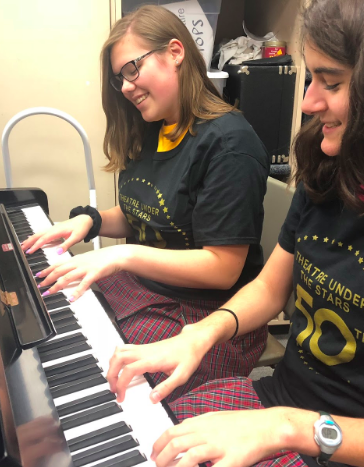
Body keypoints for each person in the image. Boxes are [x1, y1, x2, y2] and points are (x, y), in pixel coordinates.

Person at [106, 0, 364, 466]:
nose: (307, 102)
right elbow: (269, 287)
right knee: (140, 432)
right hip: (281, 404)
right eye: (311, 78)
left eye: (333, 82)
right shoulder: (333, 172)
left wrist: (290, 427)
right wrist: (198, 335)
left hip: (355, 449)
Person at [21, 5, 270, 401]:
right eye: (120, 77)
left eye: (132, 69)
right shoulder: (156, 128)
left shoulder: (229, 145)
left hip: (206, 313)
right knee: (58, 311)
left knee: (104, 383)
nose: (125, 87)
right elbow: (145, 213)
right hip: (148, 291)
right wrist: (90, 221)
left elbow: (223, 268)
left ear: (175, 52)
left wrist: (122, 257)